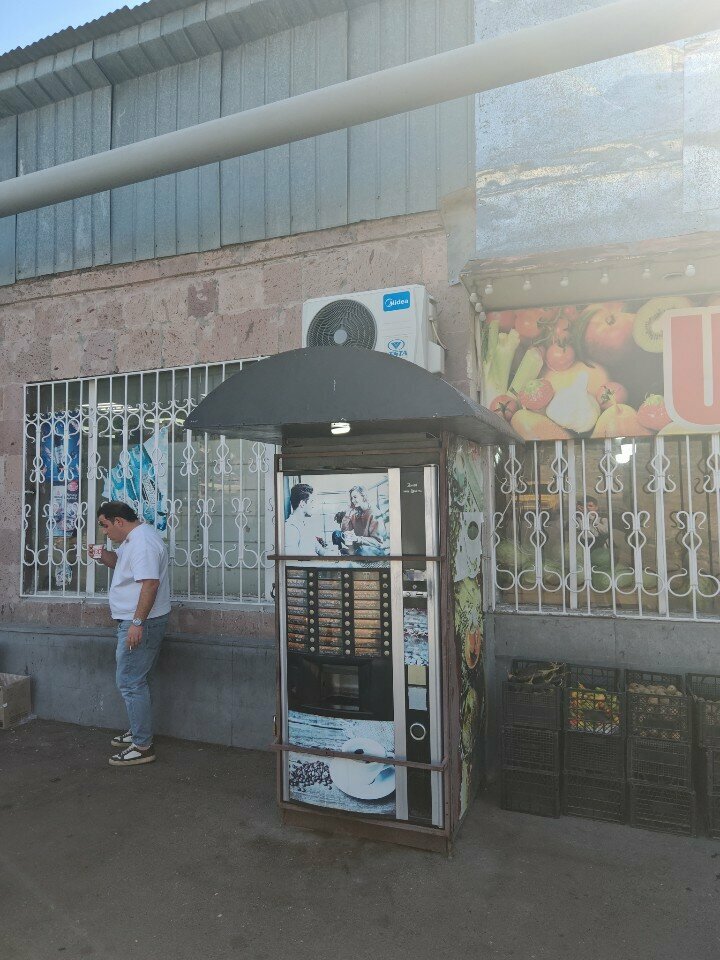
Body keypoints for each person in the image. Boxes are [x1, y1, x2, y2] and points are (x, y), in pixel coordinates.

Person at [89, 501, 171, 767]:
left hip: (140, 623)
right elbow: (124, 566)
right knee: (137, 680)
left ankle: (142, 745)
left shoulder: (143, 542)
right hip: (137, 621)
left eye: (105, 525)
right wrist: (103, 556)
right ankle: (139, 731)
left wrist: (137, 623)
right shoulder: (133, 540)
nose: (104, 531)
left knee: (130, 681)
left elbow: (150, 583)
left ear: (119, 522)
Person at [339, 485, 387, 556]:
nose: (352, 500)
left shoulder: (374, 513)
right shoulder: (356, 513)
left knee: (362, 550)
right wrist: (347, 515)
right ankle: (351, 553)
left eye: (355, 497)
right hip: (359, 544)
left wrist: (357, 539)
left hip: (374, 548)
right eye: (351, 498)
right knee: (336, 534)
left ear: (363, 496)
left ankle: (351, 553)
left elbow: (377, 542)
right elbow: (345, 531)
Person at [284, 483, 331, 555]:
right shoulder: (290, 527)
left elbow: (319, 549)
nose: (314, 505)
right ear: (302, 503)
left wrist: (336, 556)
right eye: (311, 501)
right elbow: (292, 562)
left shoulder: (306, 524)